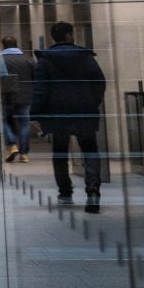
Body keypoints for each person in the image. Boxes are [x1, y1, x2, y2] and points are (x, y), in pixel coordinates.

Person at [31, 22, 106, 214]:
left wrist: (36, 114)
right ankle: (93, 190)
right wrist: (92, 102)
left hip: (58, 113)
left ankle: (65, 192)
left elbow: (40, 90)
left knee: (60, 153)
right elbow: (99, 82)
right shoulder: (85, 57)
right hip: (84, 111)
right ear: (68, 36)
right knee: (90, 150)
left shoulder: (46, 60)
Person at [0, 36, 35, 163]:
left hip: (6, 96)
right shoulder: (27, 59)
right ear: (16, 44)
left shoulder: (0, 60)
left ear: (3, 45)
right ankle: (24, 154)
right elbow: (35, 77)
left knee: (4, 121)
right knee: (24, 124)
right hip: (25, 97)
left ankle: (12, 145)